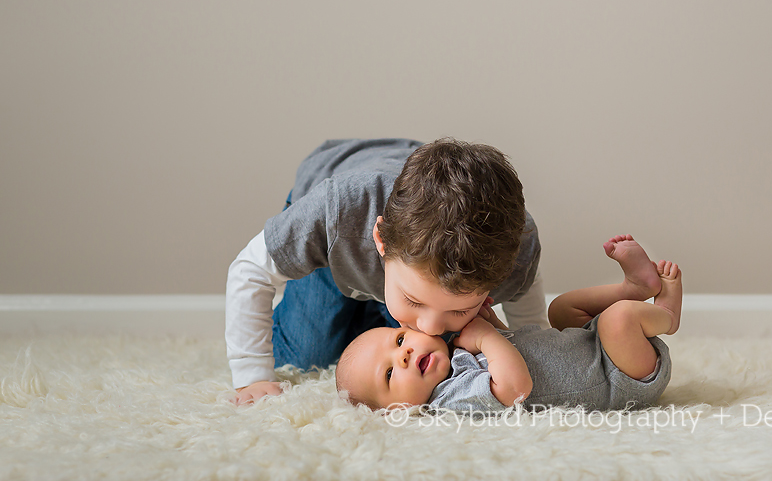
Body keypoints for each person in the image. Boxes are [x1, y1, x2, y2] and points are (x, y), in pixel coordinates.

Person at [226, 138, 546, 405]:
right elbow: (249, 270)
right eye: (414, 300)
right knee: (306, 353)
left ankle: (390, 310)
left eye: (460, 308)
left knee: (438, 359)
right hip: (336, 238)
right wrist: (251, 376)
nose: (431, 327)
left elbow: (528, 312)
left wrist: (537, 349)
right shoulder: (338, 210)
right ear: (380, 239)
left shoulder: (513, 250)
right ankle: (377, 309)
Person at [335, 234, 682, 412]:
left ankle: (632, 288)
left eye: (398, 342)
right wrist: (486, 337)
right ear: (393, 412)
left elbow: (512, 347)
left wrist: (495, 326)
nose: (405, 356)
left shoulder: (454, 357)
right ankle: (666, 314)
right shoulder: (449, 400)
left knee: (561, 309)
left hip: (588, 346)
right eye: (390, 374)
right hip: (620, 377)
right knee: (617, 321)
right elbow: (515, 387)